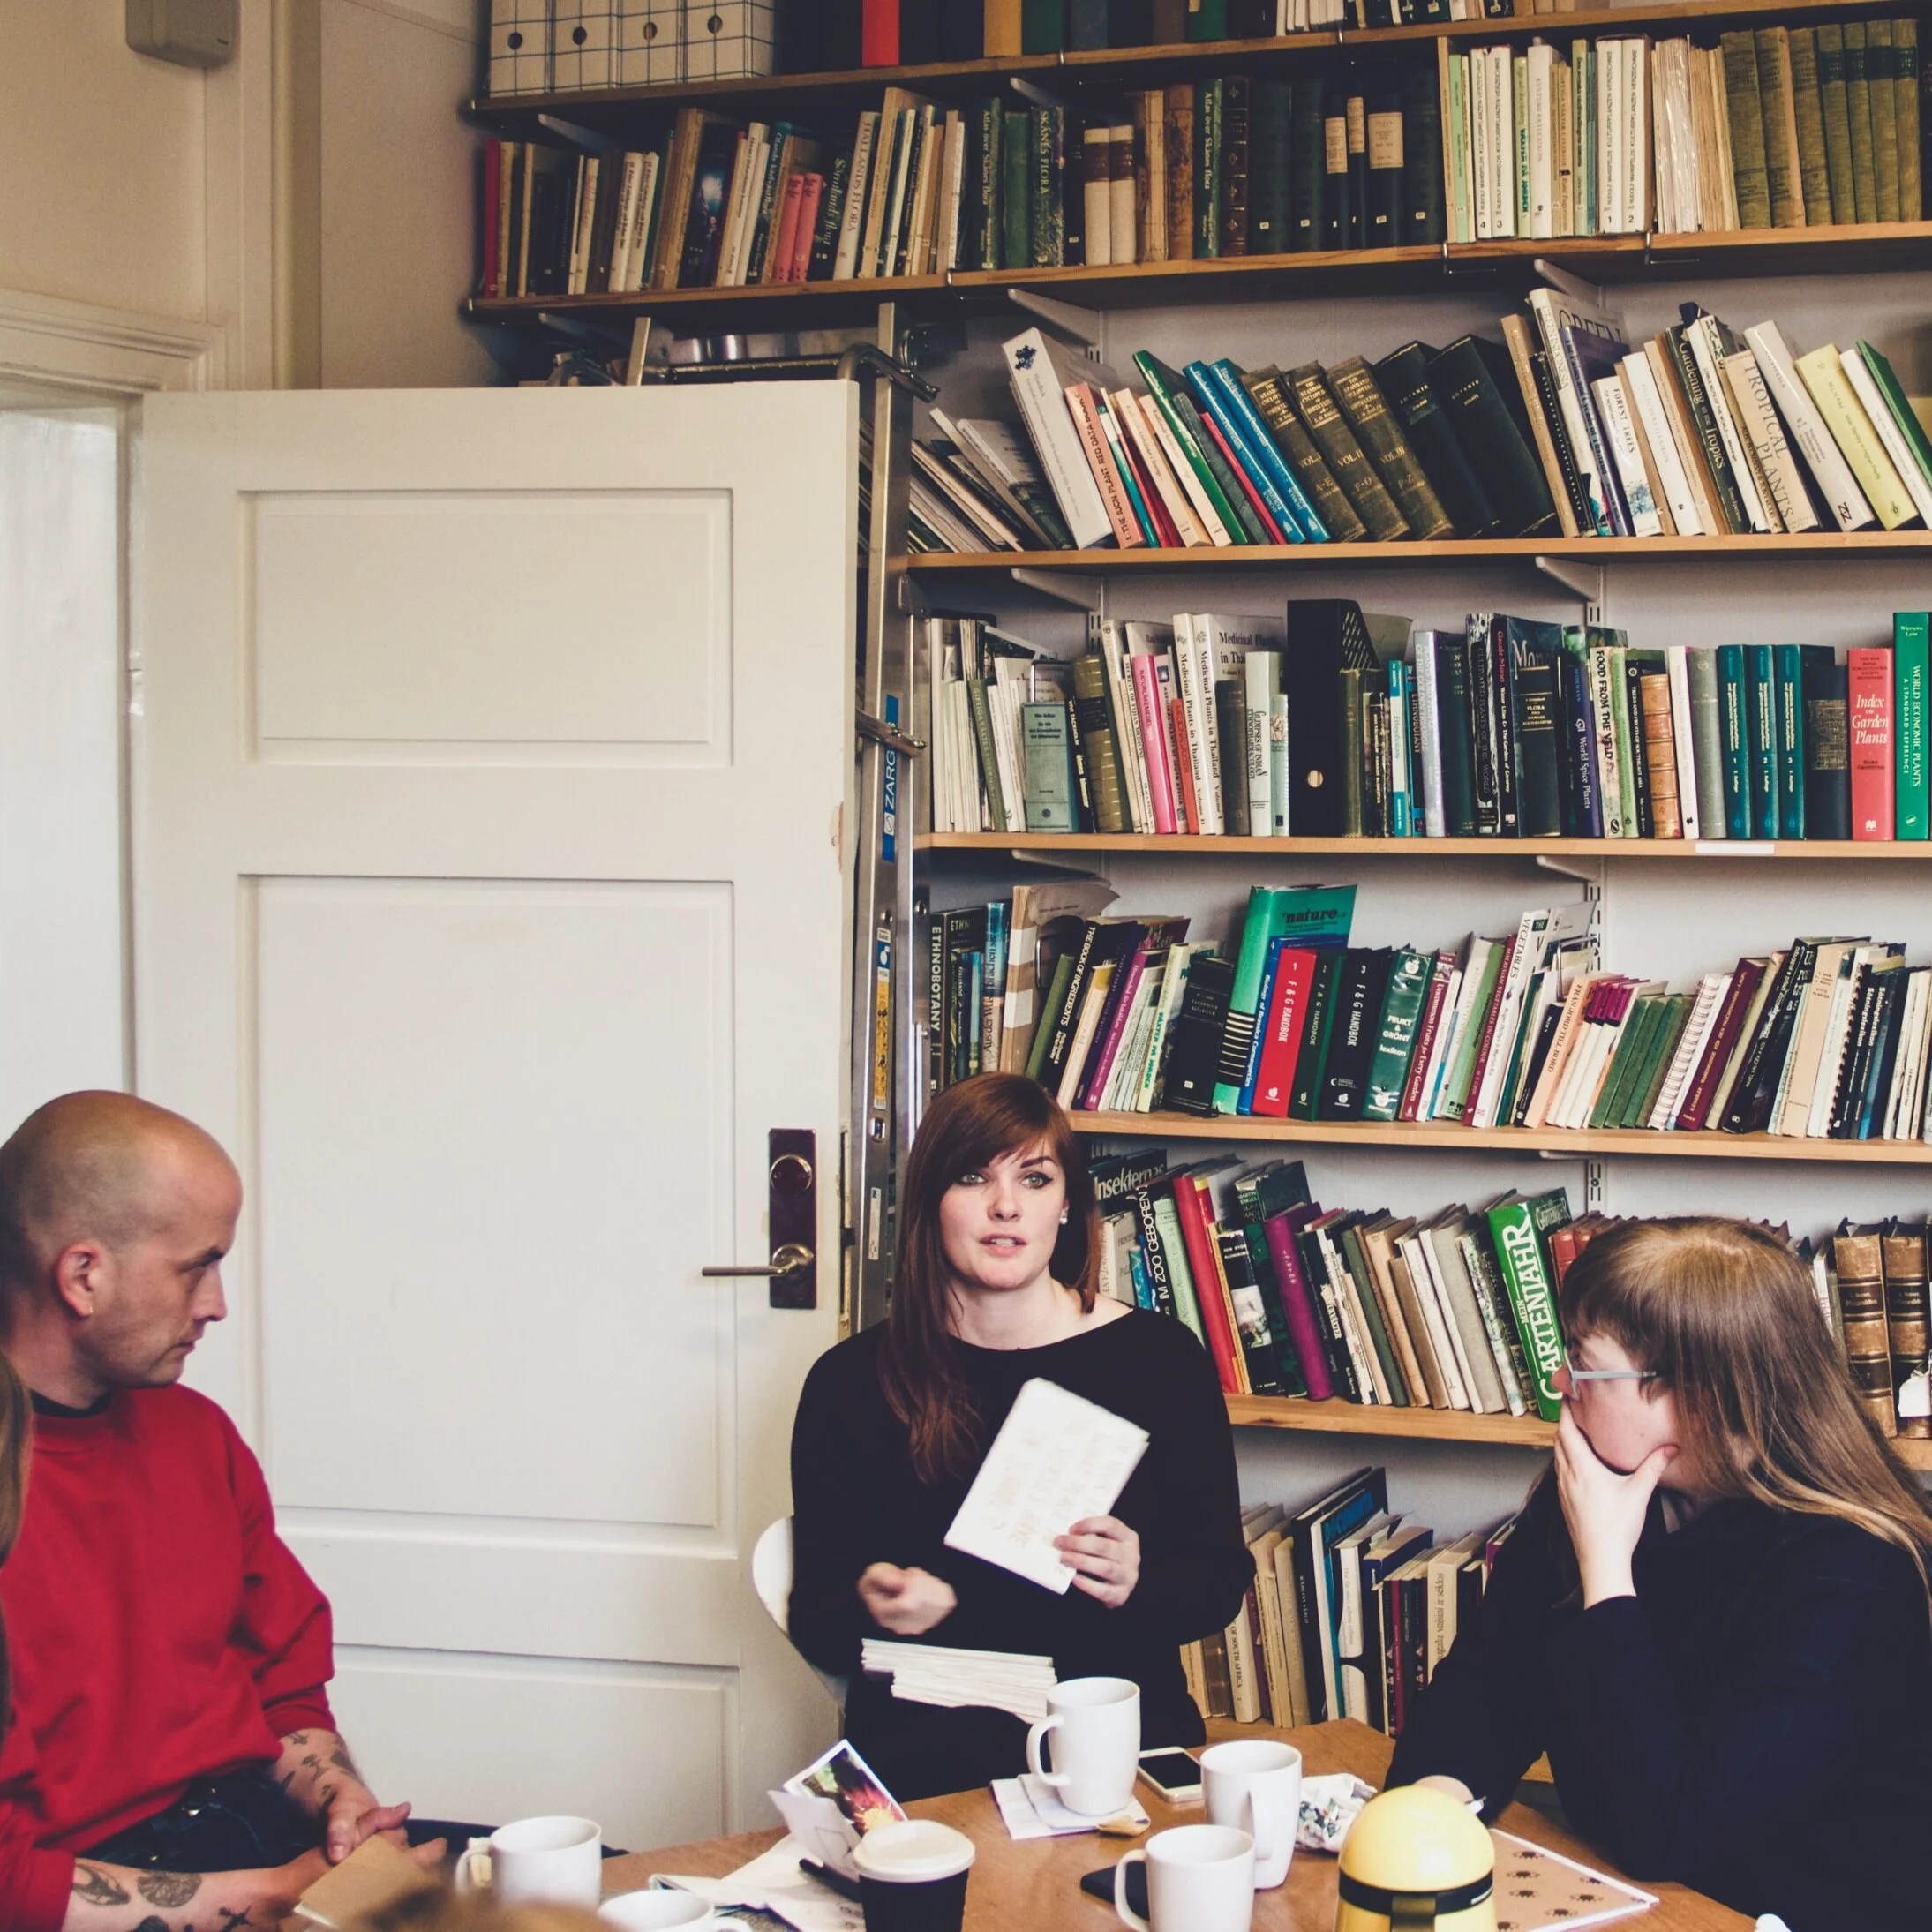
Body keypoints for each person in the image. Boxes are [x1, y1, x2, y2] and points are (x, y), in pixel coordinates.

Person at [1387, 1215, 1932, 1931]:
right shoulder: (1594, 1495)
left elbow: (1672, 1827)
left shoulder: (1855, 1570)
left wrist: (1606, 1572)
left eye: (1581, 1362)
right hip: (1627, 1890)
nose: (1558, 1382)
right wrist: (1430, 1809)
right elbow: (1484, 1692)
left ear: (1695, 1396)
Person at [0, 1091, 441, 1932]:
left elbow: (280, 1688)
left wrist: (338, 1802)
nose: (216, 1304)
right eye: (194, 1266)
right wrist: (276, 1898)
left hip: (253, 1833)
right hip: (92, 1891)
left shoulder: (196, 1433)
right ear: (84, 1274)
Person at [788, 1072, 1249, 1800]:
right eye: (972, 1177)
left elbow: (1218, 1581)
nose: (1005, 1205)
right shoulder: (848, 1381)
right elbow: (815, 1618)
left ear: (1066, 1203)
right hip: (928, 1748)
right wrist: (870, 1604)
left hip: (1110, 1733)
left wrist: (1136, 1581)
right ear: (930, 1201)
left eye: (1034, 1178)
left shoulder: (1161, 1359)